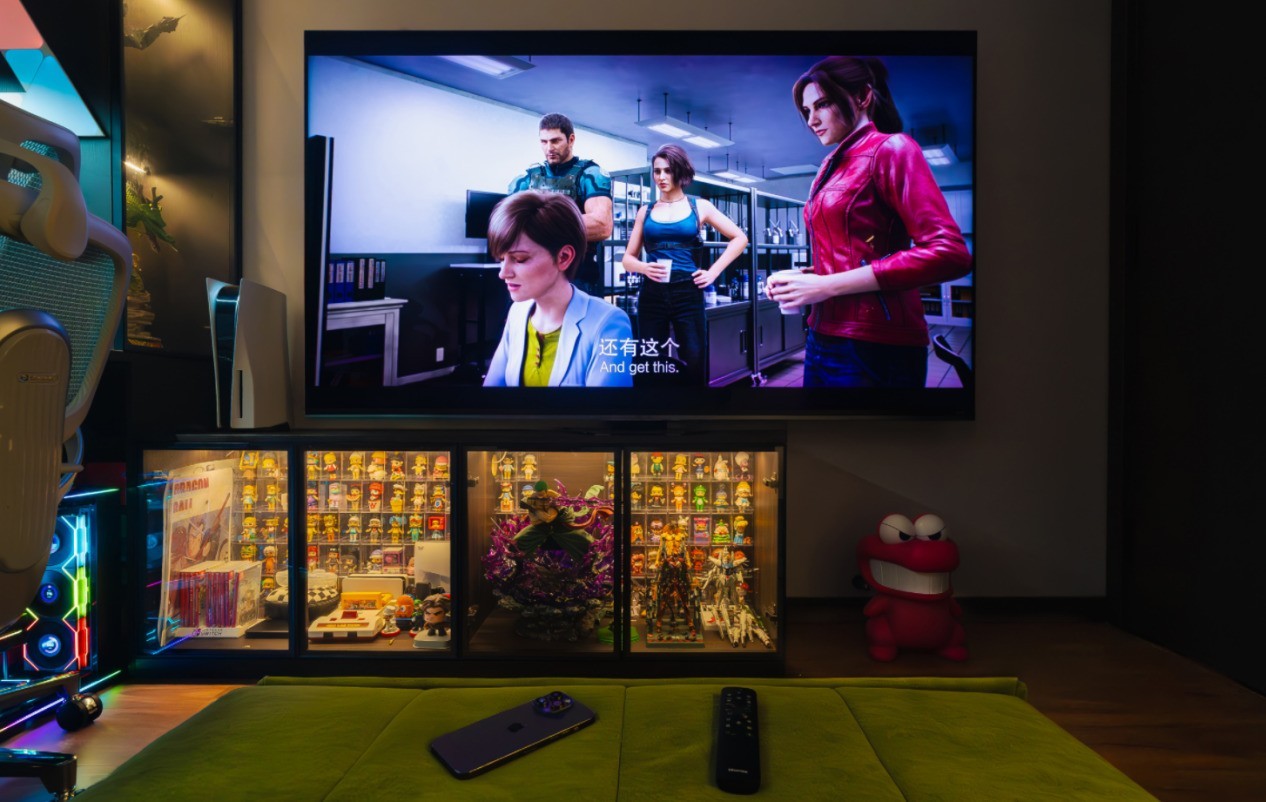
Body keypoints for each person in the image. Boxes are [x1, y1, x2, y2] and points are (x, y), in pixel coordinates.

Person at [765, 56, 972, 388]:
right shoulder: (828, 165)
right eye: (806, 110)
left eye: (822, 104)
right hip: (821, 337)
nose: (812, 120)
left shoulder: (893, 148)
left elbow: (950, 253)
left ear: (862, 96)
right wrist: (806, 278)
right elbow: (854, 253)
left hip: (876, 344)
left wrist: (825, 286)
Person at [622, 144, 748, 385]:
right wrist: (644, 268)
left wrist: (713, 272)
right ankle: (653, 407)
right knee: (649, 360)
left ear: (680, 171)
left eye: (668, 171)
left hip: (688, 293)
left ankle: (693, 407)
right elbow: (628, 259)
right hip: (652, 293)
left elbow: (740, 238)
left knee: (695, 358)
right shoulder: (645, 212)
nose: (661, 177)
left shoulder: (699, 207)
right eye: (657, 171)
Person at [482, 190, 633, 387]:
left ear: (564, 257)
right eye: (502, 259)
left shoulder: (608, 324)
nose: (503, 273)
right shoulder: (518, 312)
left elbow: (604, 406)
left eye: (519, 259)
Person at [508, 113, 613, 298]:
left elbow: (601, 225)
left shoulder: (590, 174)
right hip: (535, 270)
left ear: (571, 139)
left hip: (577, 272)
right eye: (544, 142)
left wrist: (535, 223)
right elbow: (507, 226)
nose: (549, 148)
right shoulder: (526, 179)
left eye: (555, 141)